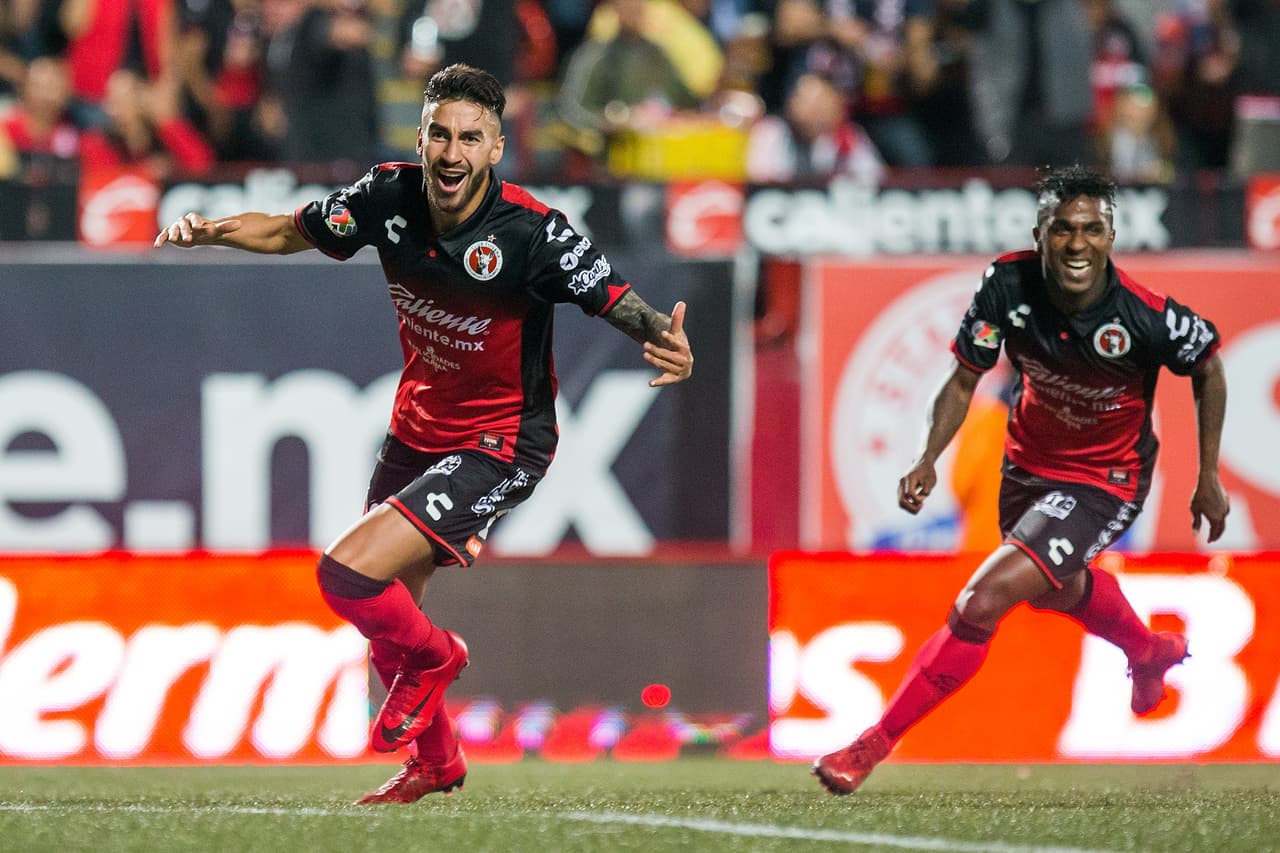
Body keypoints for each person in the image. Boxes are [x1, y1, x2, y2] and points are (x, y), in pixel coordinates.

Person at [154, 63, 694, 803]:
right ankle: (437, 760)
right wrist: (210, 230)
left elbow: (617, 298)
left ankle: (442, 656)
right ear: (421, 136)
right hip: (417, 430)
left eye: (470, 137)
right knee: (389, 627)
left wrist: (665, 335)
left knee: (345, 575)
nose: (451, 152)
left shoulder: (533, 233)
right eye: (440, 133)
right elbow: (288, 229)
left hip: (503, 440)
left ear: (496, 147)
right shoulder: (386, 195)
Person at [813, 165, 1228, 795]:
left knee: (981, 602)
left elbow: (1209, 368)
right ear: (1041, 234)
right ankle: (1146, 651)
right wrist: (928, 457)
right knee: (1050, 591)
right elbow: (963, 377)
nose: (1077, 243)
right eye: (1062, 229)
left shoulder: (1146, 317)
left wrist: (1210, 476)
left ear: (1111, 236)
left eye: (1091, 229)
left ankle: (870, 746)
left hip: (1104, 480)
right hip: (1026, 468)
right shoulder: (1006, 284)